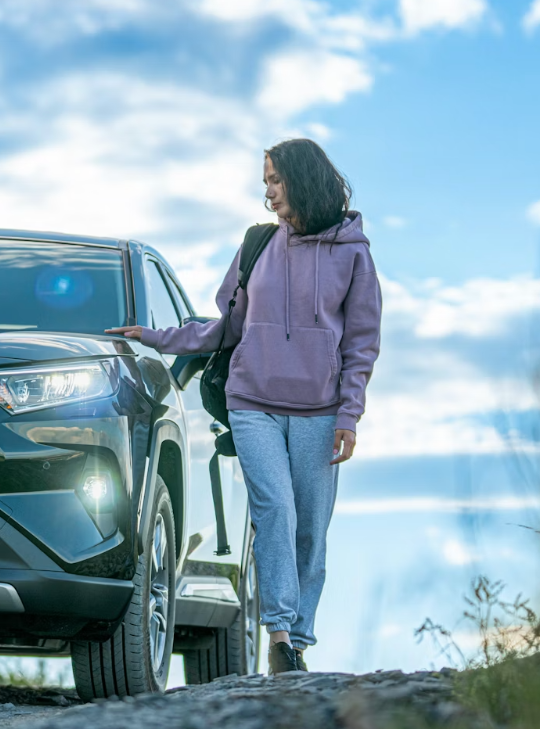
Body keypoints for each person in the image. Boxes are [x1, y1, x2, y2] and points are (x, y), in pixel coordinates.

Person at [106, 138, 382, 674]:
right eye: (266, 183)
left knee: (310, 527)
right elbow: (227, 328)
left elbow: (362, 343)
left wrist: (349, 414)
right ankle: (280, 635)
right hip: (251, 401)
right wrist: (158, 337)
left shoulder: (354, 253)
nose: (269, 193)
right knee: (273, 510)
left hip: (319, 410)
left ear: (302, 180)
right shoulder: (257, 245)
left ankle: (298, 636)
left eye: (275, 181)